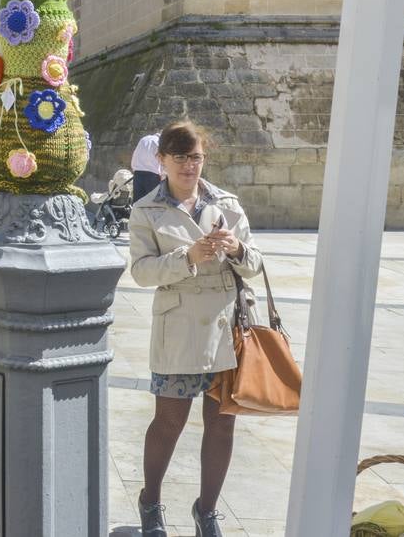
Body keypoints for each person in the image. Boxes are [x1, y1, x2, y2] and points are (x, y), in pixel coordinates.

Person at [127, 120, 263, 537]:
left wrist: (237, 249)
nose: (190, 166)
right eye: (181, 157)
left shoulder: (227, 203)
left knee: (222, 423)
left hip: (226, 329)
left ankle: (207, 511)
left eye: (196, 157)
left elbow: (255, 265)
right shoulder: (145, 209)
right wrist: (188, 257)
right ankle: (150, 502)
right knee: (169, 422)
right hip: (179, 327)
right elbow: (141, 272)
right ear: (162, 160)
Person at [131, 131, 163, 201]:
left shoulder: (144, 139)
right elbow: (162, 159)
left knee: (138, 203)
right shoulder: (160, 142)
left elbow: (135, 155)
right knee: (153, 203)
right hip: (152, 175)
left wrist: (135, 169)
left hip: (138, 174)